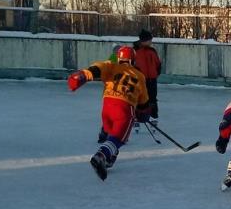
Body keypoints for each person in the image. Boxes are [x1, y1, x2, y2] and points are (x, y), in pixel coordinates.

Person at [67, 46, 150, 181]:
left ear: (119, 58)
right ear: (133, 61)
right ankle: (102, 155)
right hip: (124, 108)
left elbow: (99, 68)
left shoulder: (112, 67)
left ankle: (109, 158)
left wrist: (84, 74)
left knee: (112, 135)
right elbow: (144, 102)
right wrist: (143, 113)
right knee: (119, 138)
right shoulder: (139, 76)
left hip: (107, 107)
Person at [133, 29, 162, 122]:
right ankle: (137, 116)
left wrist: (156, 73)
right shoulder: (135, 51)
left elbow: (158, 63)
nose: (151, 42)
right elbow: (132, 64)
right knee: (139, 98)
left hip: (152, 80)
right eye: (149, 40)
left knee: (152, 98)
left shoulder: (152, 51)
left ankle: (153, 116)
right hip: (140, 80)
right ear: (144, 40)